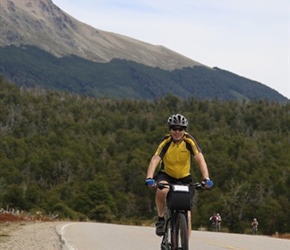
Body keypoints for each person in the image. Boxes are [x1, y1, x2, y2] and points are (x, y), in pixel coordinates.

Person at [145, 113, 213, 237]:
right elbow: (155, 159)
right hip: (167, 175)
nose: (177, 132)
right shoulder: (166, 142)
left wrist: (206, 178)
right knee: (162, 191)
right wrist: (149, 178)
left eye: (180, 129)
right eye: (174, 129)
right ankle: (161, 219)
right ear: (170, 130)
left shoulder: (189, 141)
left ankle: (185, 244)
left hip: (184, 177)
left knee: (187, 213)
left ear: (184, 130)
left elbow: (200, 159)